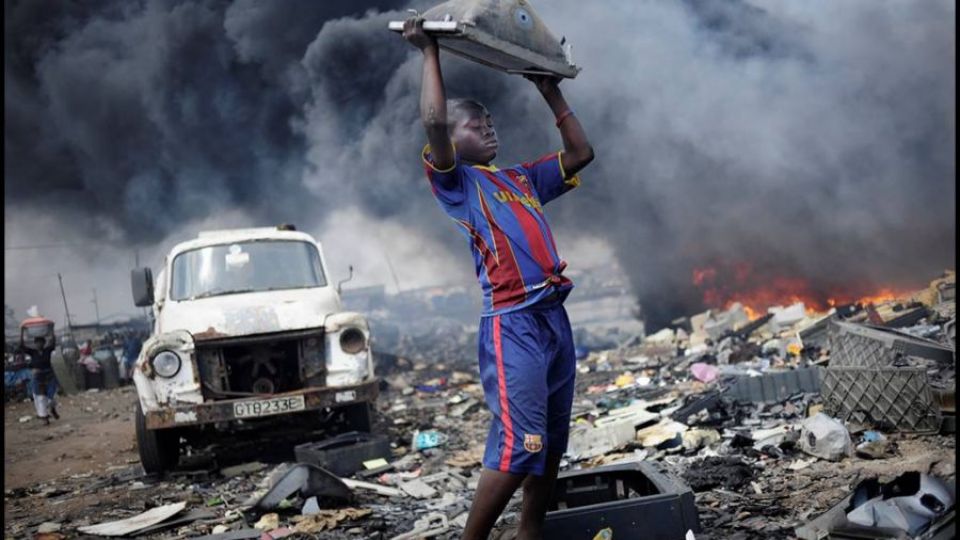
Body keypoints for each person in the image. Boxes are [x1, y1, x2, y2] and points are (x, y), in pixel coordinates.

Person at [402, 17, 595, 540]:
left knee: (551, 440)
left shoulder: (520, 179)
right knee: (521, 443)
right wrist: (429, 52)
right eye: (475, 124)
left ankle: (529, 532)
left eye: (489, 121)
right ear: (452, 139)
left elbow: (581, 154)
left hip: (553, 318)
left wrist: (550, 91)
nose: (487, 127)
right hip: (513, 326)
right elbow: (434, 122)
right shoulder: (456, 183)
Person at [23, 337, 60, 425]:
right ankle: (44, 418)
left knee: (52, 396)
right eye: (37, 343)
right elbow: (22, 346)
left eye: (41, 342)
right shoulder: (32, 352)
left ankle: (52, 409)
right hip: (38, 376)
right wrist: (22, 332)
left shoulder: (48, 350)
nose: (39, 344)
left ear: (44, 343)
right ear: (35, 344)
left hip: (49, 375)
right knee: (40, 397)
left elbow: (53, 343)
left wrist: (51, 330)